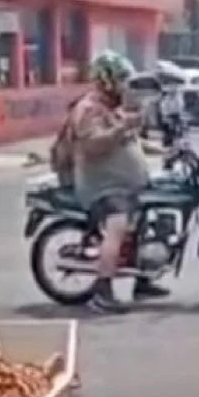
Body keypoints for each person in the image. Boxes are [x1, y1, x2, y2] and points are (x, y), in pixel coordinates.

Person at [70, 51, 170, 314]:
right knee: (118, 226)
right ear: (106, 80)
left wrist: (165, 151)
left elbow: (131, 142)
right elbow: (93, 145)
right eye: (121, 80)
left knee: (149, 216)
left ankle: (143, 280)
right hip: (102, 186)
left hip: (124, 183)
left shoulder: (110, 108)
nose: (126, 86)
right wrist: (122, 128)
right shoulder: (88, 110)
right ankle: (102, 291)